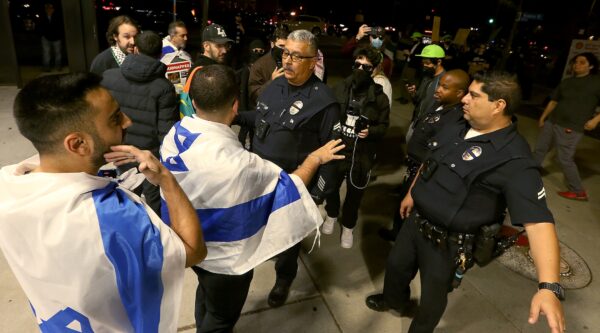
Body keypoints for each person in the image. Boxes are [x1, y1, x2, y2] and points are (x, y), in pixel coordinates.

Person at [0, 73, 206, 332]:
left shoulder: (8, 183)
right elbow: (193, 251)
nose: (127, 121)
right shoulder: (115, 218)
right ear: (78, 144)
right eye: (115, 118)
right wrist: (166, 179)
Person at [366, 72, 565, 333]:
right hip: (415, 222)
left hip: (447, 243)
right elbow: (430, 159)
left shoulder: (514, 160)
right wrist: (411, 193)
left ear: (498, 105)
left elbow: (539, 224)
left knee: (432, 297)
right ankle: (393, 300)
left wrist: (548, 287)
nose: (465, 100)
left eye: (474, 95)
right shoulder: (457, 122)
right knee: (396, 267)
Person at [160, 64, 344, 333]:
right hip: (225, 261)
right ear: (235, 105)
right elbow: (288, 187)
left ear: (194, 101)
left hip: (190, 245)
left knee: (207, 294)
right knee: (221, 319)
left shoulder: (175, 135)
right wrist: (315, 158)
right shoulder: (241, 166)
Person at [238, 29, 341, 308]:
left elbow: (333, 155)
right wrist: (232, 114)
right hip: (259, 178)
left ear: (313, 61)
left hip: (292, 184)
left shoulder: (324, 102)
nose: (288, 61)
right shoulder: (275, 85)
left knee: (288, 239)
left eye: (297, 56)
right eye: (286, 53)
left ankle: (284, 279)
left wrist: (317, 195)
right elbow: (260, 117)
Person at [379, 69, 470, 241]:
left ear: (459, 93)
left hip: (422, 171)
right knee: (403, 201)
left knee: (410, 206)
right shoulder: (440, 104)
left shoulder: (456, 118)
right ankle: (397, 232)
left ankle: (402, 239)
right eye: (439, 85)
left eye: (445, 87)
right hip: (413, 165)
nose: (438, 90)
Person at [101, 30, 179, 216]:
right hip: (147, 154)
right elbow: (166, 130)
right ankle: (155, 236)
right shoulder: (164, 87)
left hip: (119, 149)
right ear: (161, 54)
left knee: (126, 193)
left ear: (135, 49)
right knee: (153, 200)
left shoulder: (109, 77)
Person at [322, 47, 390, 248]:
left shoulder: (380, 97)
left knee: (355, 194)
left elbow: (384, 127)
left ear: (374, 69)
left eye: (366, 67)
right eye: (357, 64)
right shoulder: (339, 88)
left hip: (361, 154)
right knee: (331, 187)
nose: (360, 69)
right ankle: (332, 214)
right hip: (338, 148)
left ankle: (349, 225)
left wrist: (370, 131)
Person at [533, 52, 600, 201]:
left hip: (572, 126)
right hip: (553, 121)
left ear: (591, 66)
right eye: (575, 62)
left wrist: (595, 120)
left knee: (565, 159)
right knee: (540, 149)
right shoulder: (567, 82)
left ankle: (578, 191)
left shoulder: (596, 82)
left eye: (582, 62)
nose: (577, 65)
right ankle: (529, 172)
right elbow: (554, 101)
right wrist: (543, 117)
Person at [406, 44, 446, 139]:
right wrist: (413, 93)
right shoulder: (427, 75)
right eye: (423, 62)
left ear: (439, 61)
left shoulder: (444, 80)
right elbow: (418, 101)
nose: (424, 65)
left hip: (427, 127)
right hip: (416, 121)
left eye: (427, 63)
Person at [248, 27, 289, 106]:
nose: (283, 50)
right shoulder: (259, 65)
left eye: (286, 47)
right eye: (281, 46)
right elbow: (254, 95)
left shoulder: (291, 61)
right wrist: (272, 82)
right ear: (272, 44)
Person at [161, 20, 193, 94]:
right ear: (173, 37)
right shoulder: (162, 53)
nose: (186, 38)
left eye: (186, 35)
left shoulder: (182, 52)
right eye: (182, 36)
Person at [39, 2, 63, 71]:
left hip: (56, 37)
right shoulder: (43, 16)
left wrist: (59, 35)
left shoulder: (57, 16)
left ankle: (58, 66)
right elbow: (40, 26)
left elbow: (60, 26)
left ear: (53, 9)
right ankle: (46, 67)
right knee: (46, 54)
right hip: (46, 38)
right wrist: (42, 35)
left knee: (58, 53)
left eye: (50, 9)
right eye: (47, 9)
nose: (48, 10)